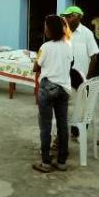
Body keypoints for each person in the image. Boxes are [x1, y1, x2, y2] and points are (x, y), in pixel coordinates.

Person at [32, 15, 73, 173]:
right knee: (63, 125)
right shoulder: (68, 45)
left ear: (50, 29)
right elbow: (70, 62)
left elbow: (36, 67)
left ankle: (46, 162)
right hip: (63, 89)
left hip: (48, 88)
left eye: (46, 27)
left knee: (45, 126)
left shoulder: (45, 47)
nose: (45, 29)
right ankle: (62, 161)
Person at [61, 6, 99, 79]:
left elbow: (94, 58)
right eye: (65, 17)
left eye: (69, 17)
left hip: (81, 78)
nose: (66, 19)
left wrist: (88, 77)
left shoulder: (87, 33)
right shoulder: (62, 33)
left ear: (78, 17)